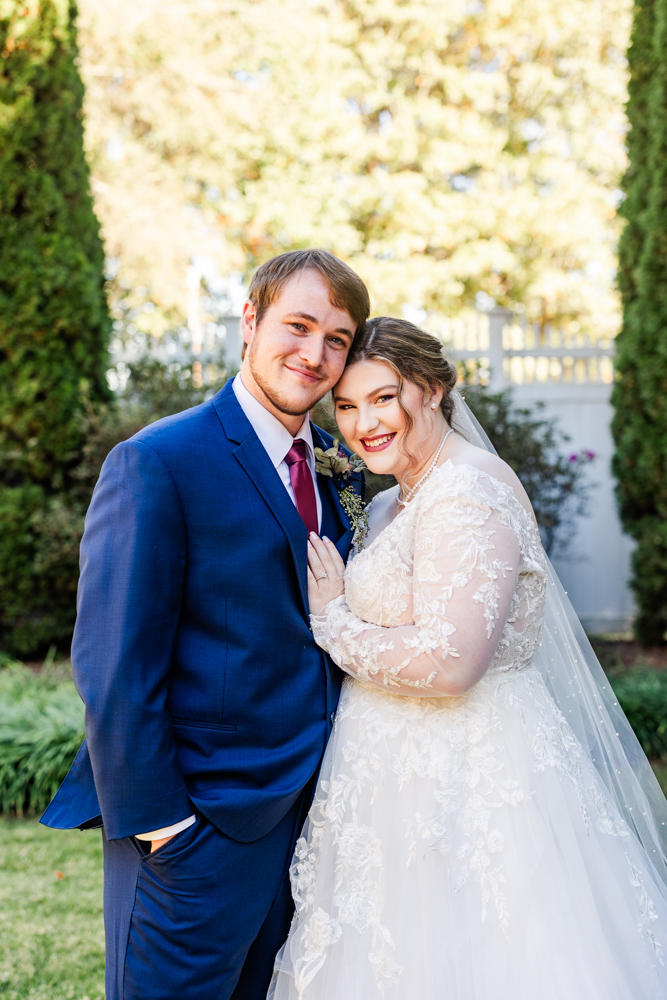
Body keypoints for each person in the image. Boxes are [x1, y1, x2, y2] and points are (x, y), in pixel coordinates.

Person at [269, 316, 667, 999]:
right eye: (347, 404)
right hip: (388, 779)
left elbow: (453, 661)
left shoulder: (467, 491)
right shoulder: (395, 499)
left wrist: (331, 620)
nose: (362, 422)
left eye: (383, 398)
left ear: (433, 390)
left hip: (470, 774)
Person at [40, 250, 370, 1000]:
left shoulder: (336, 465)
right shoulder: (159, 460)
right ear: (249, 321)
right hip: (199, 830)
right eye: (298, 325)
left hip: (313, 821)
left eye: (337, 339)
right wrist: (163, 825)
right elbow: (114, 664)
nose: (314, 355)